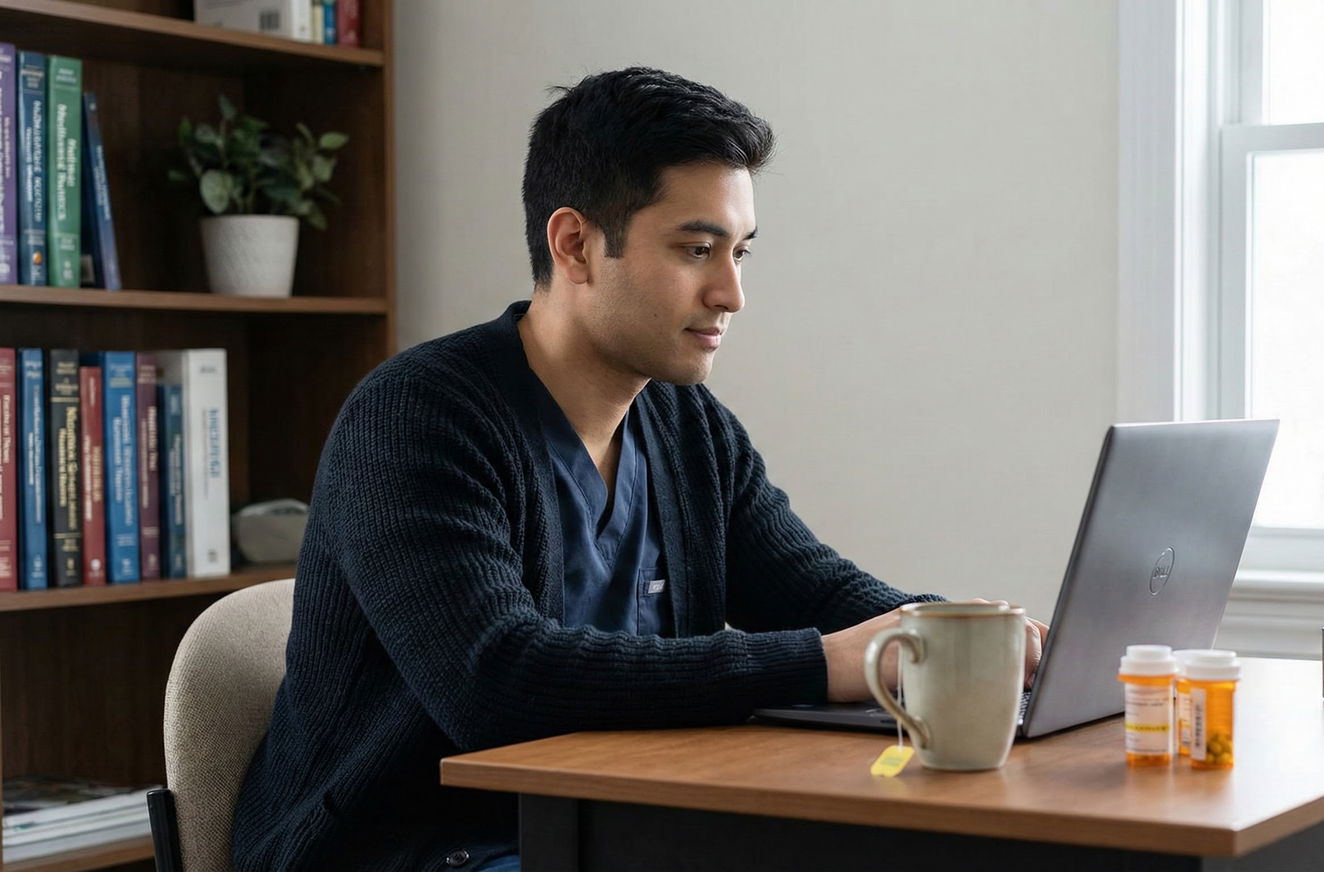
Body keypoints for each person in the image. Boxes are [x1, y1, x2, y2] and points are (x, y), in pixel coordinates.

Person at [232, 67, 1046, 872]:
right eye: (697, 249)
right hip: (409, 847)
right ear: (576, 245)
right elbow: (495, 682)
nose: (731, 293)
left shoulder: (684, 425)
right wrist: (826, 663)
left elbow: (816, 589)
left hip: (616, 828)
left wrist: (968, 636)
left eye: (741, 253)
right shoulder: (417, 417)